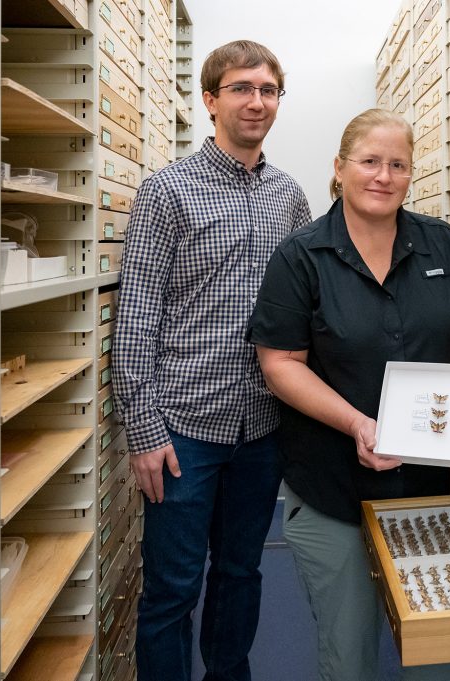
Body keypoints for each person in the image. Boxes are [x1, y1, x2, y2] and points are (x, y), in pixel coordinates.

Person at [247, 108, 450, 681]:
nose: (383, 176)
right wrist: (357, 425)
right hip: (334, 487)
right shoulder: (302, 256)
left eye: (398, 164)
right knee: (349, 655)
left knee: (443, 655)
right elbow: (279, 364)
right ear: (341, 168)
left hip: (434, 485)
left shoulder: (441, 245)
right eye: (370, 162)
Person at [112, 40, 311, 681]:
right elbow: (137, 317)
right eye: (241, 88)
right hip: (182, 432)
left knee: (240, 574)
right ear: (209, 100)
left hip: (262, 428)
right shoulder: (166, 191)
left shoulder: (289, 197)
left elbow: (311, 306)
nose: (256, 101)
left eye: (268, 90)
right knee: (171, 590)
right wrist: (143, 433)